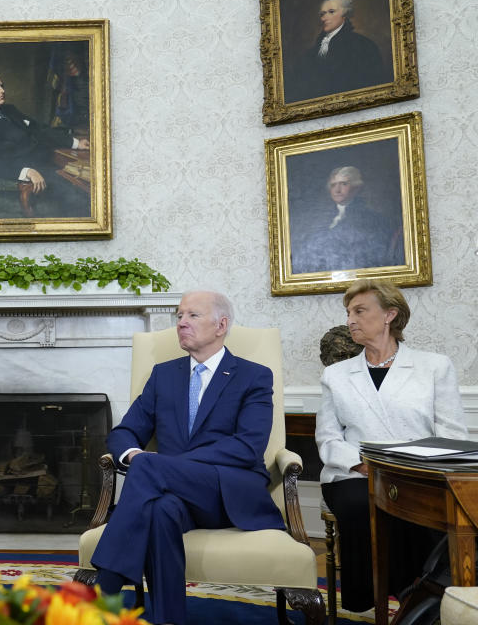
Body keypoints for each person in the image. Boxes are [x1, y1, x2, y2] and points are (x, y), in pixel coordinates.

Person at [90, 290, 285, 625]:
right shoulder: (164, 375)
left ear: (221, 325)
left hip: (228, 490)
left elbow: (247, 447)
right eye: (179, 315)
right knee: (159, 509)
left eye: (192, 315)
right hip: (173, 492)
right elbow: (124, 432)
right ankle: (169, 619)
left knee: (151, 466)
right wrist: (133, 453)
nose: (181, 323)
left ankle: (106, 586)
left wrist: (170, 464)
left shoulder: (254, 376)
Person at [316, 279, 467, 613]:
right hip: (353, 473)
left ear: (389, 314)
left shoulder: (434, 366)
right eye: (348, 312)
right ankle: (367, 600)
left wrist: (412, 469)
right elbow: (327, 438)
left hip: (418, 475)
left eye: (360, 311)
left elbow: (452, 433)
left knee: (414, 509)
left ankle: (419, 597)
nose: (350, 319)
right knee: (362, 505)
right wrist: (360, 464)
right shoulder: (336, 375)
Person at [0, 71, 91, 217]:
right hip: (21, 174)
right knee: (79, 197)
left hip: (46, 163)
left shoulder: (10, 110)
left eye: (2, 86)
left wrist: (75, 143)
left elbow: (39, 130)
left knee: (86, 183)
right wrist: (25, 171)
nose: (2, 91)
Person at [292, 166, 403, 274]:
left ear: (357, 188)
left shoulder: (373, 220)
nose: (337, 190)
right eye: (333, 185)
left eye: (344, 184)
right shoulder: (322, 219)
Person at [285, 0, 390, 103]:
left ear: (345, 14)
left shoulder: (363, 45)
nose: (324, 18)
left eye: (331, 12)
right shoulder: (311, 53)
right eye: (322, 14)